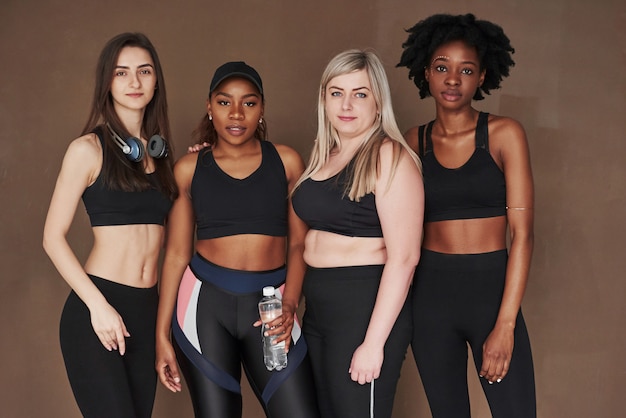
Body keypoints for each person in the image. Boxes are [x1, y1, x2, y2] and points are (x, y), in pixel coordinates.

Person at [155, 61, 320, 418]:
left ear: (261, 109)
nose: (236, 113)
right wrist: (161, 335)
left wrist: (290, 302)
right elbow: (176, 254)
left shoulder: (287, 162)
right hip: (204, 305)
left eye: (248, 103)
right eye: (224, 101)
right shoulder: (189, 169)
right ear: (209, 107)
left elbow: (298, 245)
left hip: (273, 304)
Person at [397, 13, 537, 418]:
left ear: (482, 77)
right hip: (430, 299)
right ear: (426, 73)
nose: (453, 79)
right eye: (442, 67)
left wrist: (506, 324)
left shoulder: (505, 134)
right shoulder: (411, 141)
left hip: (490, 294)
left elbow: (523, 236)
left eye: (466, 70)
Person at [42, 32, 176, 418]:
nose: (134, 82)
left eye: (144, 71)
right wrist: (98, 307)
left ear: (155, 81)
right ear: (107, 81)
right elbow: (52, 238)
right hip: (98, 306)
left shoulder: (160, 156)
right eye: (122, 73)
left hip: (146, 311)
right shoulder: (87, 150)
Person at [291, 49, 424, 418]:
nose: (346, 104)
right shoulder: (324, 155)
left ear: (378, 103)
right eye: (337, 93)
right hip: (319, 311)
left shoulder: (389, 156)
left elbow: (405, 257)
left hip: (362, 310)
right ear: (324, 99)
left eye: (360, 93)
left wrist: (374, 342)